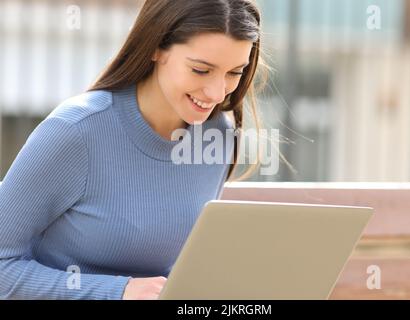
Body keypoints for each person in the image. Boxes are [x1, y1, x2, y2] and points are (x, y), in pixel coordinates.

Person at [0, 0, 269, 299]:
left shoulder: (217, 134)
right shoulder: (75, 131)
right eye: (201, 70)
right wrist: (117, 292)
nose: (218, 92)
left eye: (234, 73)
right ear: (157, 48)